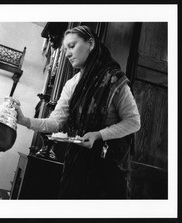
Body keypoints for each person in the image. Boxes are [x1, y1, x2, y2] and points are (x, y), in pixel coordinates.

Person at [15, 25, 141, 199]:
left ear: (90, 44)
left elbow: (134, 122)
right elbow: (56, 123)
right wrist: (24, 120)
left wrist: (98, 135)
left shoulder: (114, 80)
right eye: (65, 49)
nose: (67, 53)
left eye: (72, 46)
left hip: (108, 169)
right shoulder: (72, 84)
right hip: (77, 167)